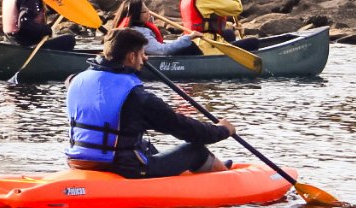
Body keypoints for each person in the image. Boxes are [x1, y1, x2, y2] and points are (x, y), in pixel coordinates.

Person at [65, 28, 235, 177]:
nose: (144, 59)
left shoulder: (76, 81)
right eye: (142, 54)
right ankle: (224, 178)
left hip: (78, 161)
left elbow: (79, 81)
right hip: (124, 167)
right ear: (131, 57)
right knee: (195, 150)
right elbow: (183, 128)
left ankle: (202, 168)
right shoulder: (137, 97)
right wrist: (222, 130)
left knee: (144, 145)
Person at [112, 0, 202, 56]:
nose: (149, 13)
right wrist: (187, 38)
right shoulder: (138, 33)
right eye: (145, 11)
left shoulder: (131, 29)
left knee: (185, 44)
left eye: (148, 10)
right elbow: (161, 50)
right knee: (190, 46)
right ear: (135, 15)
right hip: (155, 61)